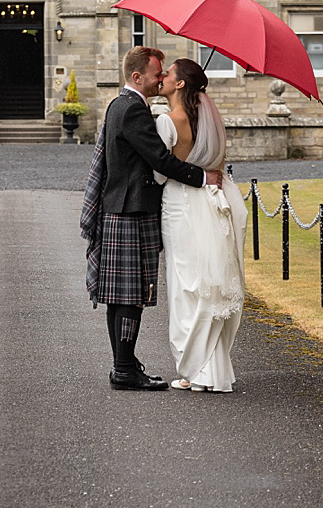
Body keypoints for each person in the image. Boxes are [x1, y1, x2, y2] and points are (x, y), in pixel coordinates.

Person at [79, 45, 215, 390]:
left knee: (121, 296)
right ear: (137, 76)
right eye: (157, 74)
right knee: (131, 295)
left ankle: (122, 365)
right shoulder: (134, 111)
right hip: (132, 209)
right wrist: (202, 177)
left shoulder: (119, 105)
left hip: (121, 207)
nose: (160, 79)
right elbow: (159, 159)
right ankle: (124, 370)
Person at [153, 56, 247, 392]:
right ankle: (212, 371)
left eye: (168, 74)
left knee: (184, 286)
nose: (161, 77)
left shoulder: (168, 121)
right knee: (206, 282)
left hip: (180, 204)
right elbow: (217, 166)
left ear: (180, 84)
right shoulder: (209, 122)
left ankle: (195, 369)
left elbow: (160, 173)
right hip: (209, 202)